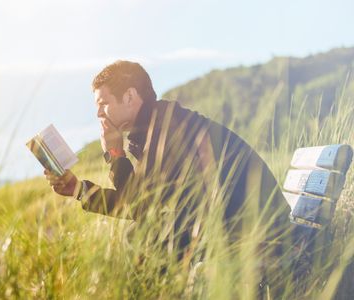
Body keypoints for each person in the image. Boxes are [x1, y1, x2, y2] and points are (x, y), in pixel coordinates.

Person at [44, 60, 294, 293]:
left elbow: (139, 207)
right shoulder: (157, 125)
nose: (99, 114)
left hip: (261, 237)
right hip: (237, 227)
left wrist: (115, 154)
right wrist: (78, 188)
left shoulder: (167, 130)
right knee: (140, 236)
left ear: (130, 96)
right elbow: (142, 203)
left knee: (141, 238)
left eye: (103, 104)